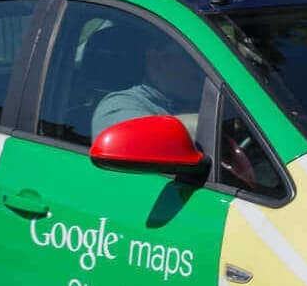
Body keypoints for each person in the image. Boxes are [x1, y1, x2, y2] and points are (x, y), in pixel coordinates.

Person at [92, 37, 256, 184]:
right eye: (195, 59)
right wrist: (224, 123)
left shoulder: (211, 98)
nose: (207, 70)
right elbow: (135, 139)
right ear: (156, 62)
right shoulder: (118, 105)